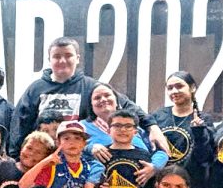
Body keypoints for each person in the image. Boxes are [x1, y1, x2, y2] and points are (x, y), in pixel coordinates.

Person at [10, 37, 165, 157]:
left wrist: (153, 127)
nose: (62, 60)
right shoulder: (35, 89)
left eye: (68, 55)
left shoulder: (92, 87)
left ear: (77, 58)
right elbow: (19, 123)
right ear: (49, 60)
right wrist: (15, 157)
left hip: (78, 158)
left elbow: (126, 106)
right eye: (57, 56)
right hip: (42, 158)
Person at [150, 71, 214, 188]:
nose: (174, 91)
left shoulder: (203, 119)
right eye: (170, 88)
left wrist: (199, 132)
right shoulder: (158, 116)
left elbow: (205, 157)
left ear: (192, 88)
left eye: (179, 86)